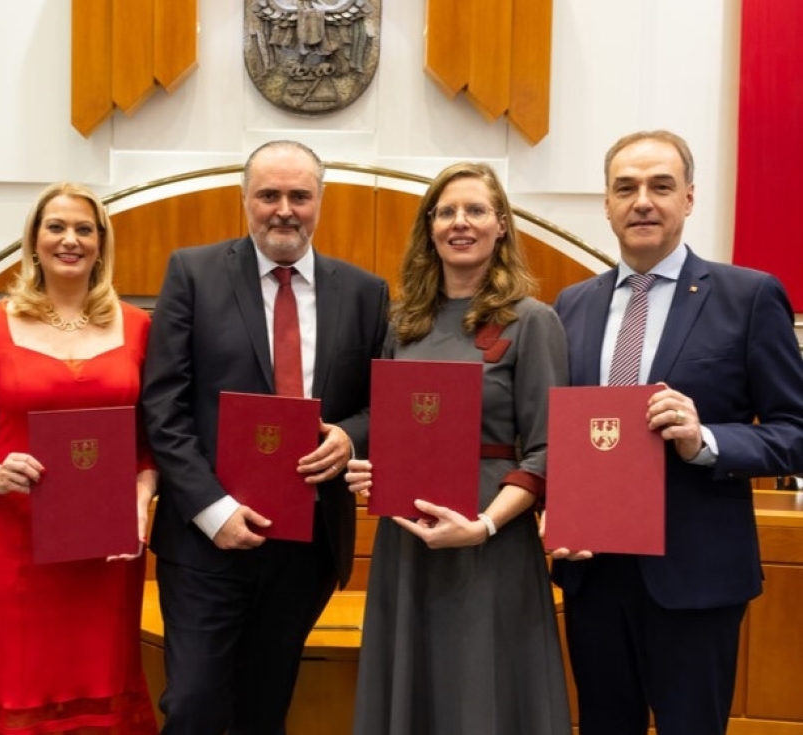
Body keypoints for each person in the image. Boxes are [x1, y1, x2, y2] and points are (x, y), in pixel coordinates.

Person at [550, 130, 803, 735]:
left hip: (695, 577)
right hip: (594, 575)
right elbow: (562, 432)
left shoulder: (748, 296)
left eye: (660, 186)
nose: (642, 201)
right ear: (606, 204)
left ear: (688, 198)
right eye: (625, 188)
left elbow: (794, 431)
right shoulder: (571, 305)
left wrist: (704, 440)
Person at [141, 140, 389, 734]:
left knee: (264, 709)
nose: (284, 210)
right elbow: (163, 405)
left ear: (320, 201)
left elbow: (382, 405)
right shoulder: (193, 273)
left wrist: (350, 437)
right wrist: (213, 509)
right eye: (269, 195)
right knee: (194, 706)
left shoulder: (364, 292)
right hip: (206, 539)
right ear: (245, 199)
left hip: (308, 543)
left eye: (299, 196)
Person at [344, 162, 573, 734]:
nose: (460, 222)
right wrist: (373, 473)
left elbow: (548, 450)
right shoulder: (403, 324)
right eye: (445, 212)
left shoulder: (532, 322)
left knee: (481, 691)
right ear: (430, 227)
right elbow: (392, 431)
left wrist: (485, 526)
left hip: (489, 540)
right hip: (408, 541)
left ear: (501, 225)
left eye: (475, 210)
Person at [0, 182, 158, 734]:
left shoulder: (139, 327)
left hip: (107, 549)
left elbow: (150, 442)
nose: (70, 240)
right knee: (20, 686)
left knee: (105, 686)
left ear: (101, 243)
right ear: (34, 241)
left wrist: (140, 500)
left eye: (84, 229)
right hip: (16, 543)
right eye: (56, 227)